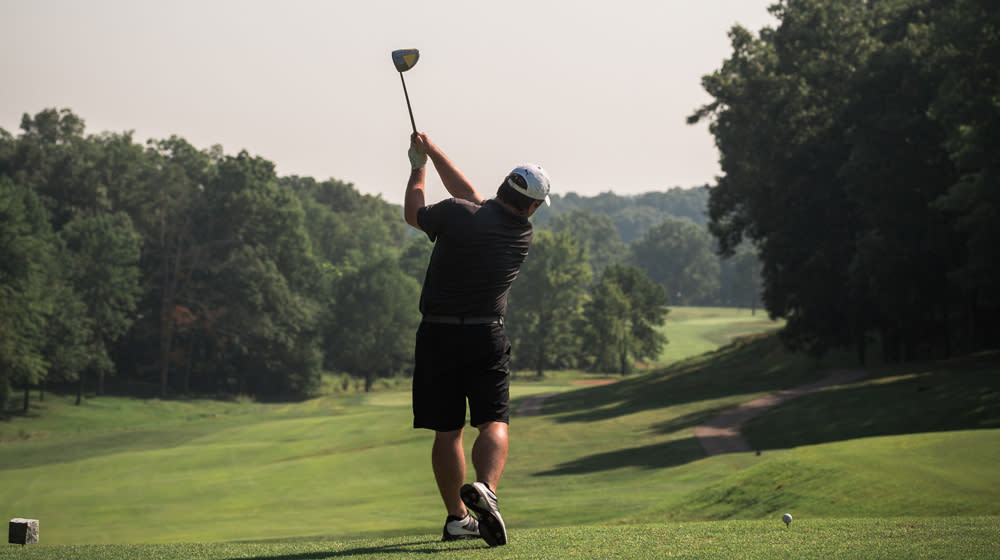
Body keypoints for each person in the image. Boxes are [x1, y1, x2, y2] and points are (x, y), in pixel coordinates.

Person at [403, 131, 550, 547]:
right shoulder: (521, 233)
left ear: (503, 185)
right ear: (532, 206)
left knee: (447, 431)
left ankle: (457, 518)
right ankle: (487, 487)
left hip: (436, 334)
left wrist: (418, 166)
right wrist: (431, 151)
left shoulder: (456, 214)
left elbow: (415, 213)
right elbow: (470, 196)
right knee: (493, 421)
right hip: (486, 334)